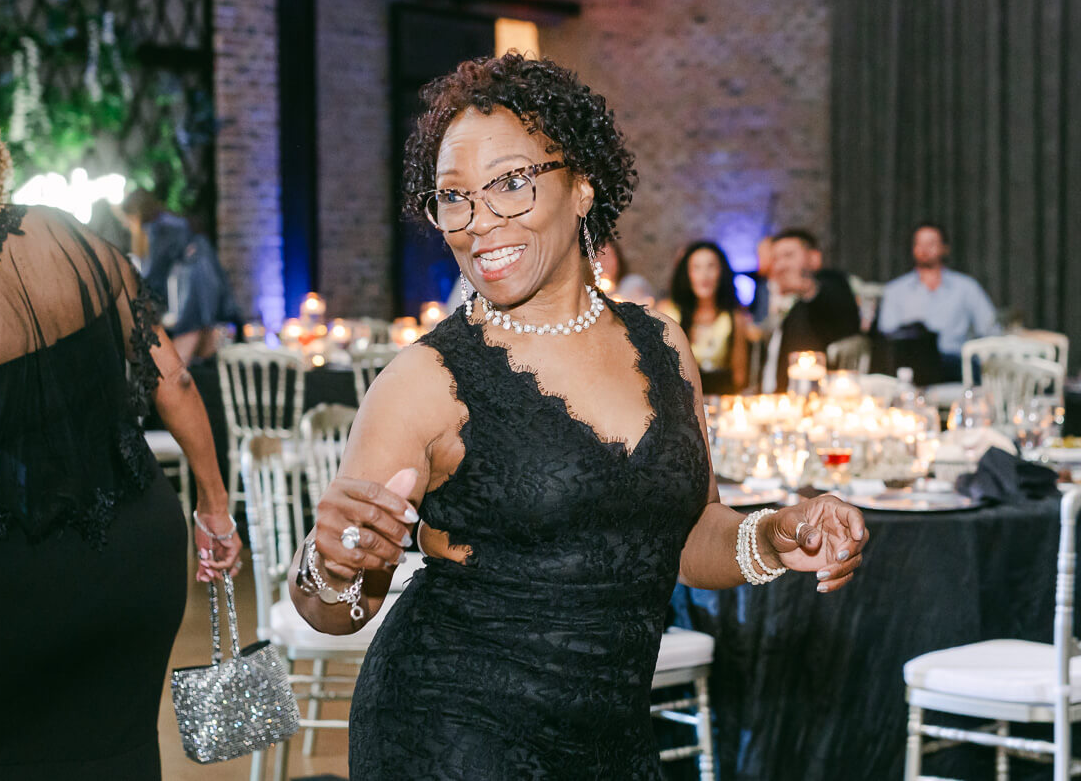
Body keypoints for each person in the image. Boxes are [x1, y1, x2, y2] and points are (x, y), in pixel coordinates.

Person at [287, 53, 868, 778]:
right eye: (454, 197)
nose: (478, 223)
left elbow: (682, 537)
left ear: (583, 185)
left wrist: (778, 533)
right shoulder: (425, 381)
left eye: (510, 184)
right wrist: (329, 564)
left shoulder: (663, 345)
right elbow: (337, 610)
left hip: (612, 736)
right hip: (450, 734)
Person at [0, 67, 242, 779]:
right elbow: (175, 382)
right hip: (138, 559)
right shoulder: (71, 234)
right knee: (114, 755)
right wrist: (216, 508)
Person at [120, 188, 239, 366]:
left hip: (196, 284)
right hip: (203, 278)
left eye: (127, 221)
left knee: (181, 356)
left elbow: (154, 274)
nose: (125, 226)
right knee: (196, 344)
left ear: (135, 214)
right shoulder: (169, 223)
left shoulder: (160, 230)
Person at [876, 222, 997, 382]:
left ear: (944, 248)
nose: (925, 249)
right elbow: (888, 333)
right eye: (919, 244)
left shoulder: (966, 287)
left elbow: (990, 329)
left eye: (931, 243)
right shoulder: (895, 290)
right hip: (912, 363)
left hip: (954, 361)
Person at [761, 228, 861, 392]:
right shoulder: (772, 297)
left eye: (788, 255)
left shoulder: (833, 283)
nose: (780, 265)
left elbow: (834, 304)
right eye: (775, 259)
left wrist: (807, 288)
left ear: (814, 258)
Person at [665, 240, 750, 394]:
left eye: (711, 266)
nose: (704, 275)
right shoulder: (669, 315)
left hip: (720, 399)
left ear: (721, 272)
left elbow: (740, 377)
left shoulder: (734, 319)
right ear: (687, 274)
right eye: (696, 268)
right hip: (678, 402)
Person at [596, 236, 655, 306]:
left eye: (608, 256)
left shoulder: (633, 284)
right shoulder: (589, 295)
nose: (604, 263)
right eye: (598, 257)